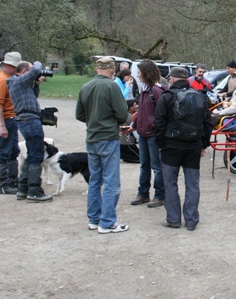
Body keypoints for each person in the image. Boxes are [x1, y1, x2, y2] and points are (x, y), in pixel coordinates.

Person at [154, 67, 213, 230]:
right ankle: (191, 220)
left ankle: (173, 219)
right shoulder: (200, 96)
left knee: (170, 183)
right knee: (192, 184)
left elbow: (158, 123)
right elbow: (208, 123)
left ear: (172, 79)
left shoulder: (166, 97)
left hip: (171, 146)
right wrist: (203, 144)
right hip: (193, 146)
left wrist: (161, 144)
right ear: (186, 79)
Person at [76, 57, 130, 233]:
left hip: (91, 138)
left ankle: (94, 219)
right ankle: (107, 222)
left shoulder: (86, 86)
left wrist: (94, 120)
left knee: (95, 180)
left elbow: (79, 115)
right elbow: (122, 114)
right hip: (108, 137)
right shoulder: (111, 86)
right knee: (111, 182)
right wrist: (108, 120)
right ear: (112, 69)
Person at [7, 60, 51, 203]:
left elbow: (33, 96)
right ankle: (34, 191)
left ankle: (23, 189)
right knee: (36, 156)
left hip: (28, 120)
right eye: (31, 71)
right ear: (25, 72)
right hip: (30, 120)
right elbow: (34, 69)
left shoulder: (21, 85)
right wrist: (37, 65)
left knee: (31, 155)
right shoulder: (17, 82)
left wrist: (36, 83)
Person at [131, 59, 166, 208]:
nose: (137, 75)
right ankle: (143, 193)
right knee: (144, 164)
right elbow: (141, 111)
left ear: (146, 73)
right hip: (143, 133)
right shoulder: (143, 90)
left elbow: (162, 113)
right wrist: (134, 124)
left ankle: (160, 195)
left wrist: (155, 128)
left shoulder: (157, 91)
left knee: (157, 166)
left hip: (153, 134)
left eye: (139, 72)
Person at [0, 52, 22, 194]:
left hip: (11, 119)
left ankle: (12, 180)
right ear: (10, 66)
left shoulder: (7, 77)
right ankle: (3, 184)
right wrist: (2, 125)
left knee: (13, 151)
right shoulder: (2, 79)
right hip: (6, 120)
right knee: (4, 152)